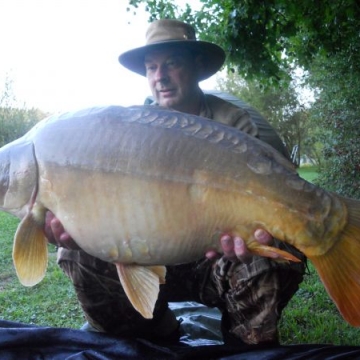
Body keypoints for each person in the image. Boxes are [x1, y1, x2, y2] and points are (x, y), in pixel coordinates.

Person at [45, 19, 306, 345]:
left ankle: (245, 343)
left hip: (216, 260)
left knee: (268, 252)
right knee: (75, 254)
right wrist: (75, 226)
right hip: (149, 256)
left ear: (197, 66)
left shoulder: (235, 125)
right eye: (152, 68)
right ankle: (155, 331)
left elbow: (275, 198)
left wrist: (250, 235)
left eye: (172, 64)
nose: (160, 77)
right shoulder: (129, 130)